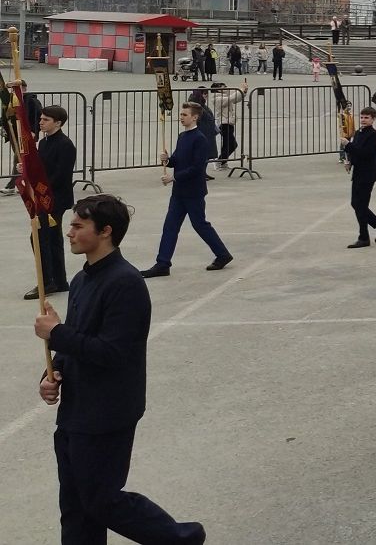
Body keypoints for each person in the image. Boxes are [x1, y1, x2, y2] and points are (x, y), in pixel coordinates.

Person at [34, 194, 207, 543]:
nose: (69, 232)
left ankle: (180, 538)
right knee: (75, 505)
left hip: (107, 412)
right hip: (76, 409)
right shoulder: (83, 279)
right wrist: (52, 375)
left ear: (105, 232)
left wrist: (58, 335)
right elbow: (79, 339)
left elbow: (114, 352)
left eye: (78, 226)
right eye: (71, 225)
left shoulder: (125, 283)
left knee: (101, 500)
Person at [143, 102, 233, 277]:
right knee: (170, 226)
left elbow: (197, 168)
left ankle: (223, 254)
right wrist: (167, 160)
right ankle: (162, 264)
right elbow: (178, 160)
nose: (181, 117)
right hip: (179, 192)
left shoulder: (200, 139)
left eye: (185, 114)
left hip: (193, 192)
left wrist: (173, 177)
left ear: (195, 117)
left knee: (200, 225)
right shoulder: (182, 137)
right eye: (181, 114)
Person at [27, 104, 76, 299]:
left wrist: (40, 189)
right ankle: (60, 280)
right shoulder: (44, 142)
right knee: (52, 239)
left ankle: (47, 282)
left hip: (54, 199)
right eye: (41, 119)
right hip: (43, 196)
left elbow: (61, 175)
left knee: (39, 238)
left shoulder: (65, 145)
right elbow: (40, 167)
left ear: (58, 123)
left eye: (46, 120)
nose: (41, 122)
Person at [343, 107, 376, 248]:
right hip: (358, 173)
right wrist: (349, 161)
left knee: (360, 206)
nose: (363, 120)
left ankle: (364, 237)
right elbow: (355, 151)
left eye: (366, 118)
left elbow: (366, 154)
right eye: (362, 117)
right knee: (355, 204)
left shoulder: (373, 135)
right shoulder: (358, 133)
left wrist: (348, 145)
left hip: (367, 175)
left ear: (373, 119)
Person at [208, 80, 245, 168]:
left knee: (228, 144)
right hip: (224, 123)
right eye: (223, 86)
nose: (226, 87)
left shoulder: (226, 96)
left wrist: (244, 91)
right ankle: (220, 161)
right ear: (218, 89)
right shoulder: (217, 98)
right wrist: (241, 90)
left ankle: (222, 162)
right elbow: (231, 98)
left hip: (229, 123)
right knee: (230, 144)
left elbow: (237, 98)